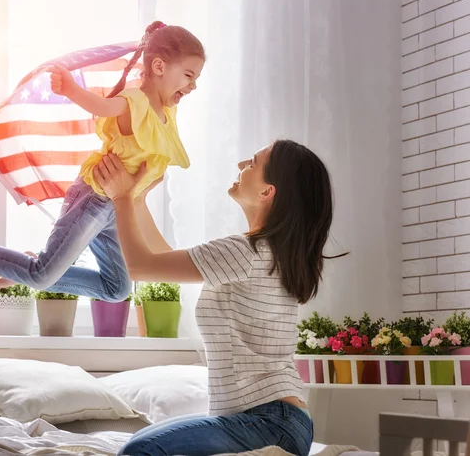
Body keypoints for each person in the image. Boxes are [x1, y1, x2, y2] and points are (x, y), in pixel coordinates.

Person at [0, 22, 205, 301]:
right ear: (158, 67)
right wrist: (70, 89)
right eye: (189, 76)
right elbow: (103, 106)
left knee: (117, 289)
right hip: (94, 197)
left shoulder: (167, 115)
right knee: (42, 275)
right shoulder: (135, 102)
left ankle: (26, 268)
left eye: (196, 79)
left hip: (118, 206)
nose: (192, 86)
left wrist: (184, 262)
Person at [93, 139, 344, 456]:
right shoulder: (263, 252)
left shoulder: (245, 252)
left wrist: (121, 198)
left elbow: (140, 266)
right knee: (137, 441)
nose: (241, 165)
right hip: (276, 421)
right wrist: (138, 199)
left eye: (252, 162)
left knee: (140, 450)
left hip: (269, 423)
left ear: (268, 191)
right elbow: (162, 258)